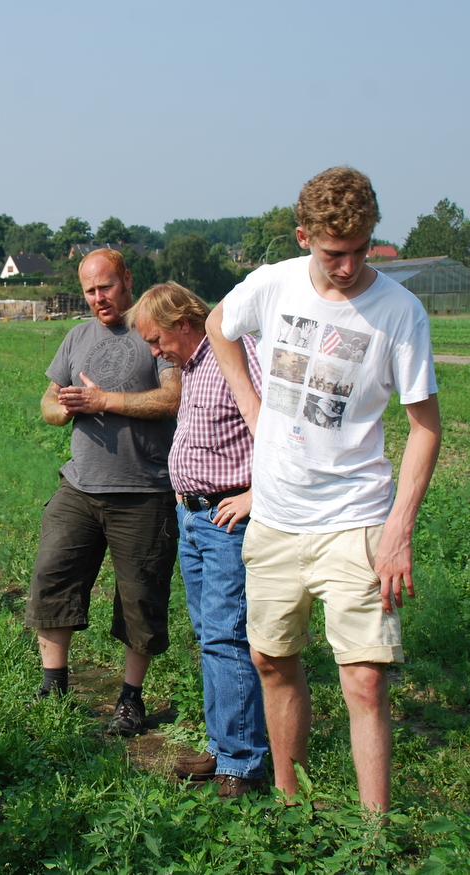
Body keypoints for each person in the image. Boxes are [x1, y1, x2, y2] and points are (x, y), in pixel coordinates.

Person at [205, 166, 442, 811]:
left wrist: (398, 531)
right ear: (304, 235)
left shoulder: (399, 311)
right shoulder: (275, 282)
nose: (348, 266)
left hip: (356, 518)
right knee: (273, 661)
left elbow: (425, 429)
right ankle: (292, 806)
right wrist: (255, 413)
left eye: (362, 249)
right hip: (278, 518)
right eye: (335, 252)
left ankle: (375, 832)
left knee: (364, 680)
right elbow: (218, 325)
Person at [24, 248, 181, 735]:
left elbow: (174, 397)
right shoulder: (77, 336)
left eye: (106, 287)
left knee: (140, 599)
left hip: (144, 491)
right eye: (90, 290)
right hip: (80, 486)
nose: (98, 299)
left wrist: (103, 400)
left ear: (126, 280)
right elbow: (48, 399)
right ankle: (55, 686)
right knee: (52, 577)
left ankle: (131, 701)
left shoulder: (153, 330)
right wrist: (65, 407)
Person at [130, 282, 267, 798]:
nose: (155, 351)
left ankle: (244, 764)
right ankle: (223, 744)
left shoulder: (238, 355)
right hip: (194, 518)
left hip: (228, 520)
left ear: (182, 324)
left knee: (228, 635)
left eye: (155, 339)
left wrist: (256, 493)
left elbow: (275, 427)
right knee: (211, 634)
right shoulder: (194, 366)